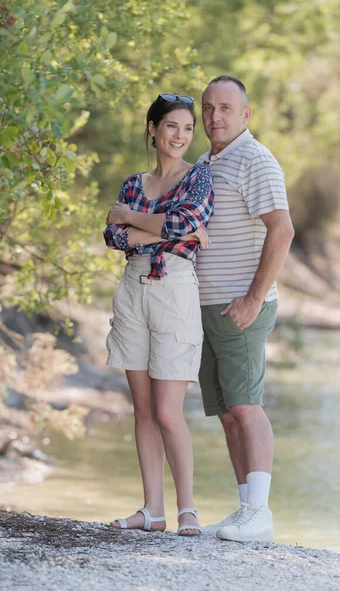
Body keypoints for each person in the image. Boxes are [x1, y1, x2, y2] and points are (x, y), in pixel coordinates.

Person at [103, 93, 214, 536]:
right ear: (153, 129)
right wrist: (161, 228)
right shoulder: (134, 181)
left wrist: (133, 221)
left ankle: (187, 508)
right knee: (143, 411)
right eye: (172, 127)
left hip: (174, 291)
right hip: (132, 292)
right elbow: (112, 236)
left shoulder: (199, 177)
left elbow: (182, 223)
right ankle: (153, 510)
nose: (181, 136)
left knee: (168, 413)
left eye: (188, 128)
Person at [196, 76, 294, 542]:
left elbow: (282, 230)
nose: (216, 117)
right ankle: (244, 510)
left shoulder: (255, 159)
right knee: (228, 411)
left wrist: (254, 299)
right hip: (207, 307)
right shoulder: (205, 162)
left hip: (241, 308)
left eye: (226, 108)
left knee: (246, 406)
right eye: (209, 108)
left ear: (245, 114)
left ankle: (260, 513)